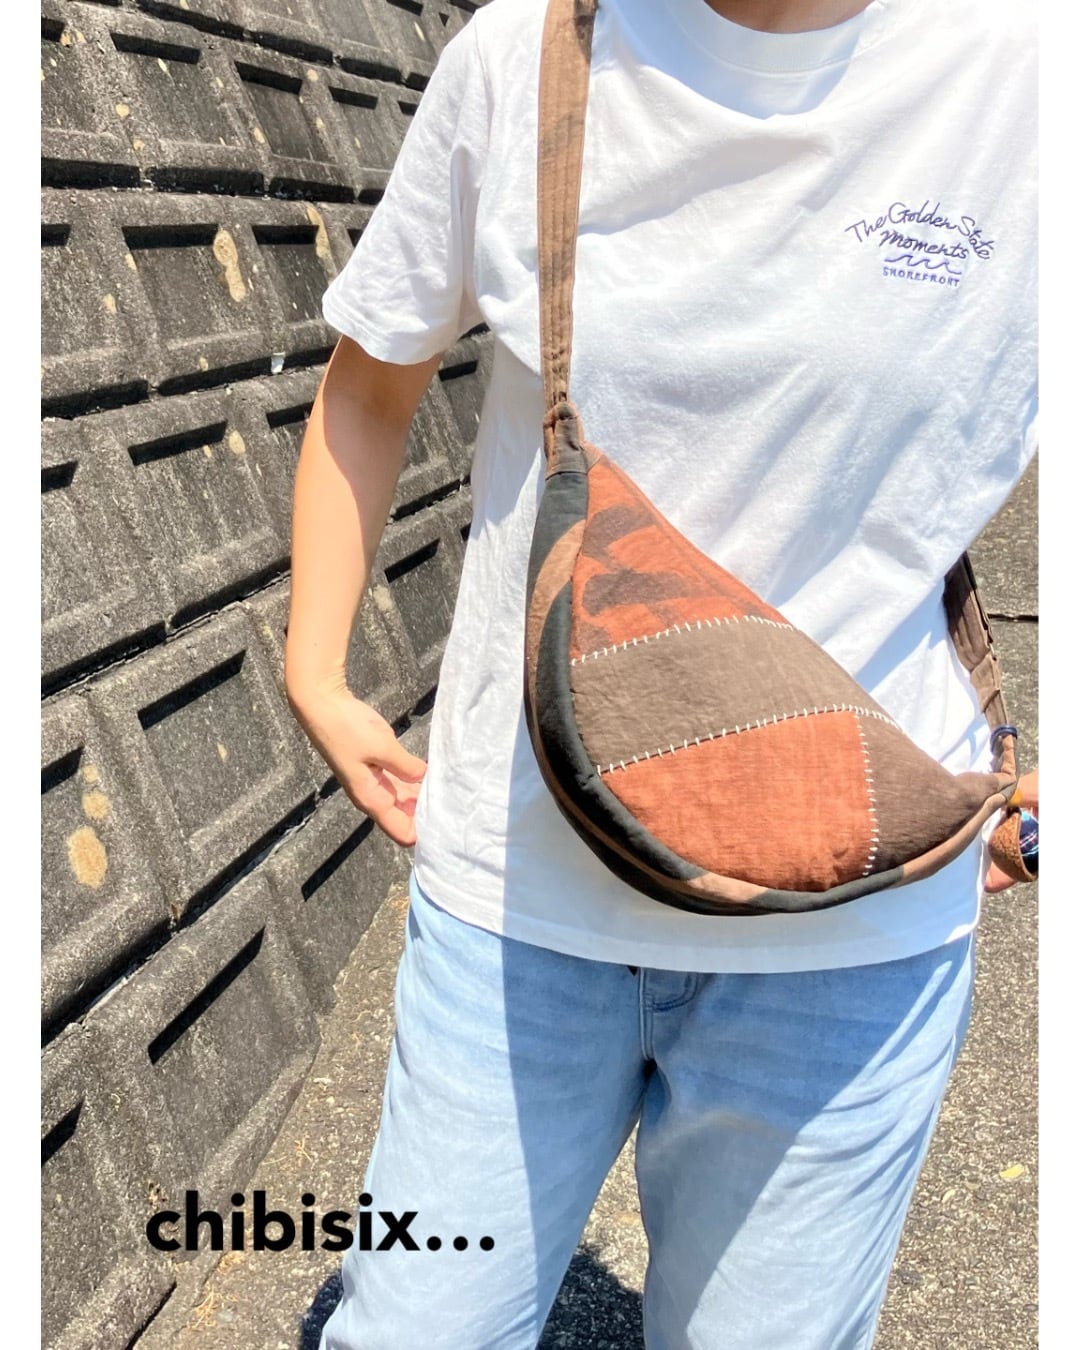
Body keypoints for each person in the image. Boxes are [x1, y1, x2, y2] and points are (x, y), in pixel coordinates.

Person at [284, 0, 1037, 1345]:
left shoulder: (1028, 81)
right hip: (519, 891)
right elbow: (373, 378)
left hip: (853, 927)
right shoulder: (523, 57)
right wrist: (317, 669)